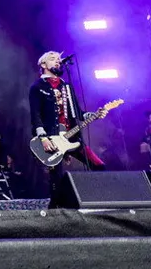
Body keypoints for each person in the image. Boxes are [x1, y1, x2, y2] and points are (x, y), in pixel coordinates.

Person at [28, 51, 105, 203]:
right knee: (57, 179)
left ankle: (100, 200)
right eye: (53, 59)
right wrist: (43, 138)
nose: (57, 61)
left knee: (99, 166)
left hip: (72, 136)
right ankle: (57, 212)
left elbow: (78, 112)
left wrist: (93, 115)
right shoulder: (37, 87)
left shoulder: (67, 86)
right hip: (51, 138)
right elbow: (35, 115)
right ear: (43, 65)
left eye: (58, 59)